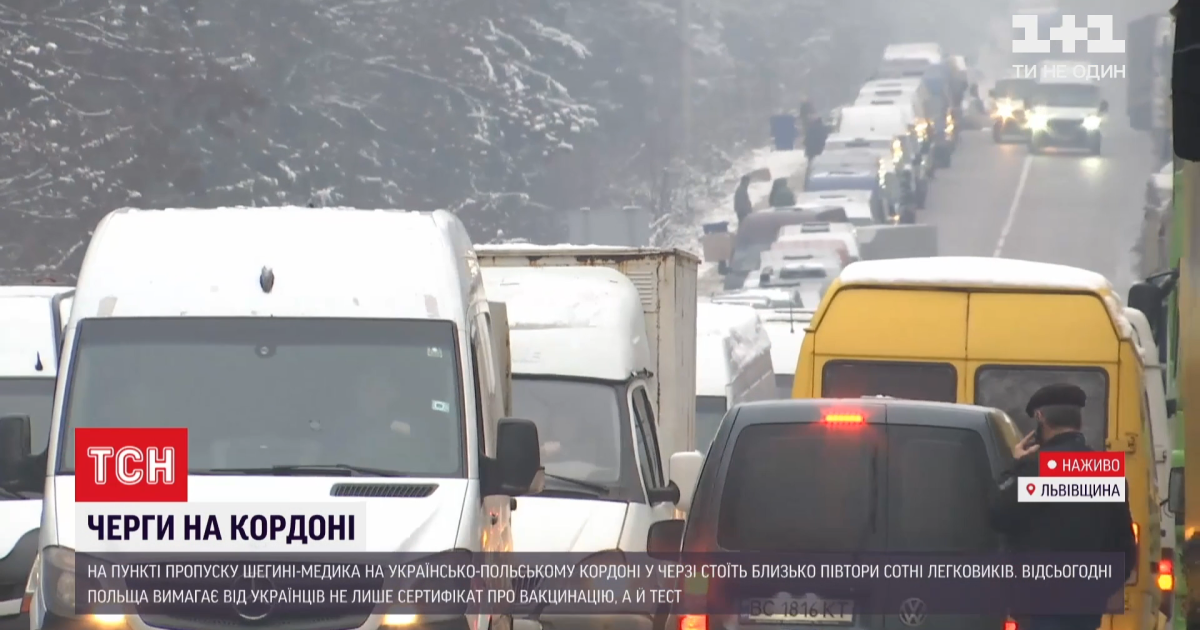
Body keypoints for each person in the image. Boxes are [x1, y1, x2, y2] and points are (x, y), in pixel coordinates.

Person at [990, 383, 1137, 630]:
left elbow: (998, 514)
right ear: (1078, 421)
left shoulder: (1036, 470)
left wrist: (1015, 466)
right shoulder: (1105, 472)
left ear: (1040, 417)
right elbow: (1124, 549)